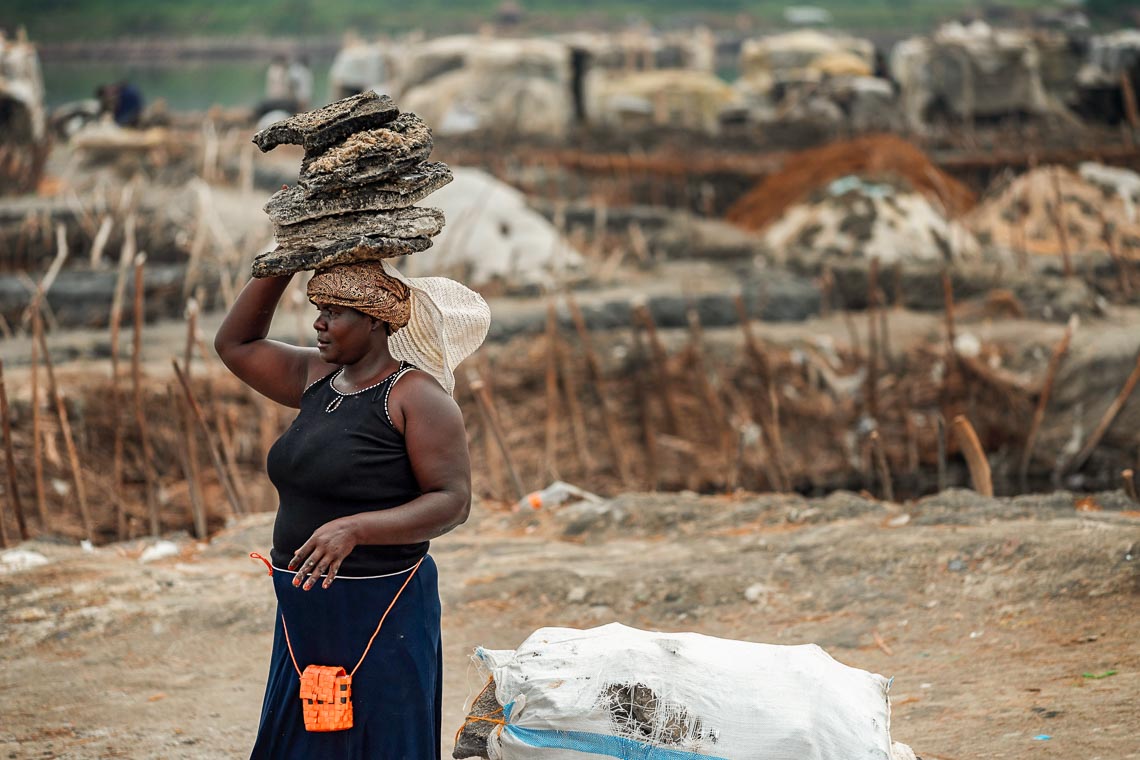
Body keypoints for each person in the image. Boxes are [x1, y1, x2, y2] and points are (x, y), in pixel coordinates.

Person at [215, 259, 490, 758]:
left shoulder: (416, 397)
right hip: (305, 606)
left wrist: (356, 530)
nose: (318, 322)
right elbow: (235, 345)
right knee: (303, 737)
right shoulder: (316, 377)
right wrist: (281, 261)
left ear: (376, 321)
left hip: (382, 608)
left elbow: (453, 501)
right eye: (318, 308)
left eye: (335, 311)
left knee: (377, 736)